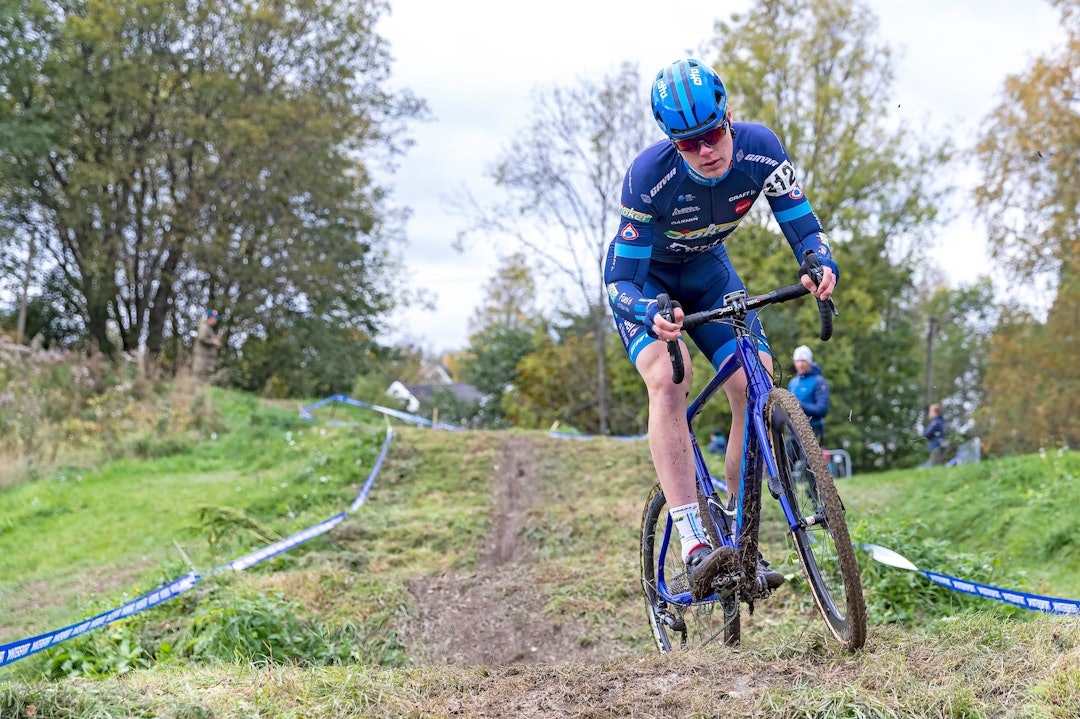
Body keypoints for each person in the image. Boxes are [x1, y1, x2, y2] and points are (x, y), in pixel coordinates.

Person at [605, 58, 838, 599]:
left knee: (752, 378)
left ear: (728, 115)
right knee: (666, 377)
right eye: (689, 144)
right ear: (671, 142)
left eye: (712, 134)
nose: (706, 150)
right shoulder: (649, 177)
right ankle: (693, 541)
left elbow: (803, 225)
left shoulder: (760, 150)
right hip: (649, 284)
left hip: (709, 271)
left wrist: (817, 261)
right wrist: (649, 314)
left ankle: (739, 530)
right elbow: (621, 279)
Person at [787, 345, 830, 445]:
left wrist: (799, 405)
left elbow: (822, 409)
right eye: (798, 361)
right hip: (793, 431)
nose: (800, 364)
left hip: (813, 430)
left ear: (809, 362)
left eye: (803, 361)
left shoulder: (818, 381)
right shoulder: (793, 382)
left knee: (808, 460)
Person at [192, 309, 222, 382]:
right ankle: (194, 390)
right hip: (201, 355)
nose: (216, 321)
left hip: (205, 356)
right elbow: (201, 338)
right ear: (211, 318)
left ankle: (201, 391)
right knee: (199, 374)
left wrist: (214, 338)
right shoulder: (204, 327)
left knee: (204, 375)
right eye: (215, 318)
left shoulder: (208, 328)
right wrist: (213, 341)